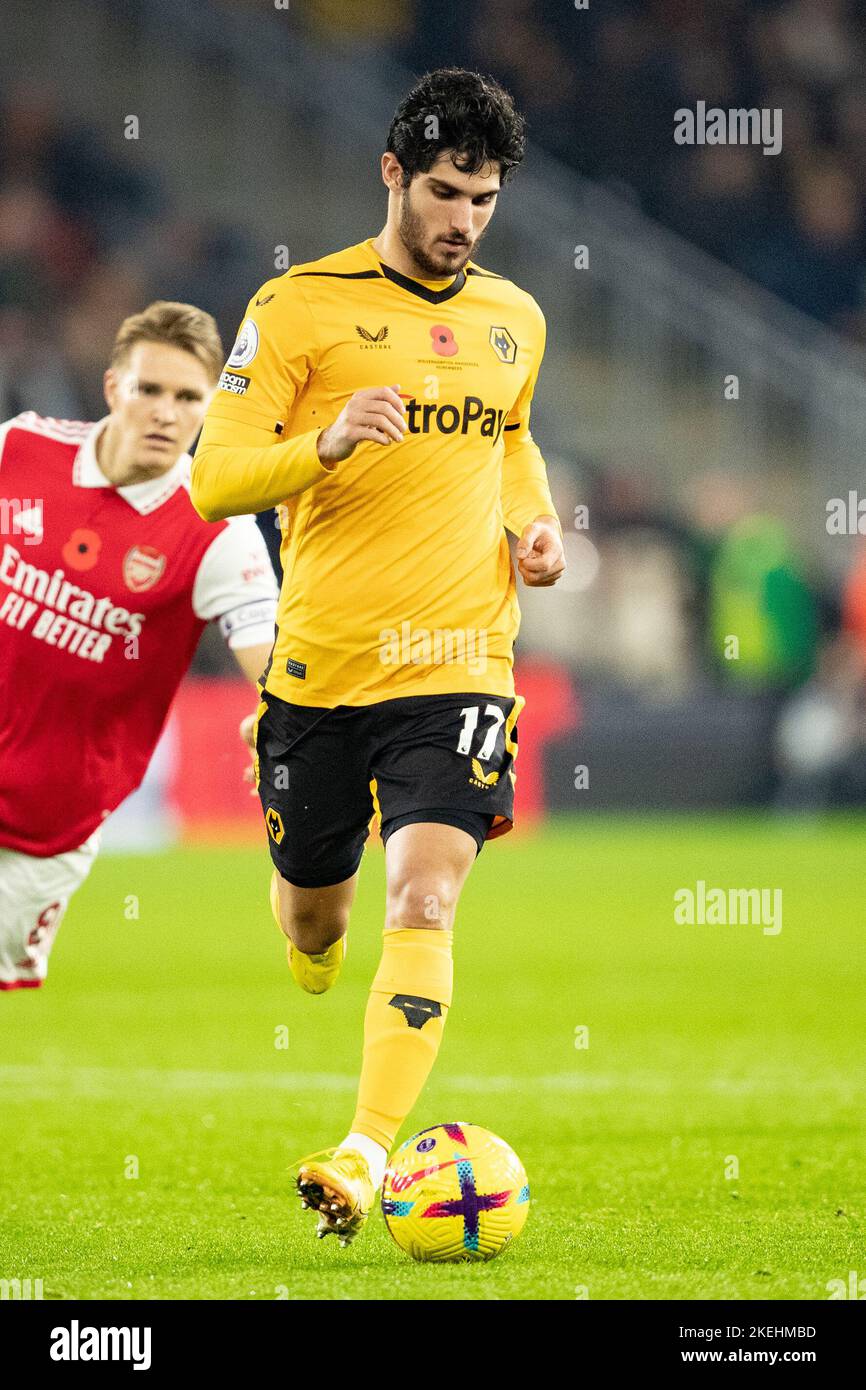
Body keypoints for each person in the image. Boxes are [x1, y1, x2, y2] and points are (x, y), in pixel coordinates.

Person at [191, 68, 565, 1245]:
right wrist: (324, 442)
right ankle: (313, 918)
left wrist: (533, 523)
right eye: (446, 191)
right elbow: (213, 477)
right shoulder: (297, 308)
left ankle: (362, 1149)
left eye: (486, 200)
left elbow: (507, 437)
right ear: (394, 174)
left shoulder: (515, 318)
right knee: (314, 921)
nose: (463, 220)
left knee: (427, 891)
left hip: (460, 660)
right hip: (319, 670)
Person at [0, 301, 278, 990]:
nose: (165, 411)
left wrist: (293, 723)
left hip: (48, 823)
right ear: (113, 388)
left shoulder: (218, 529)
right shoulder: (20, 449)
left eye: (188, 397)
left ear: (209, 407)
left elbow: (274, 664)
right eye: (149, 389)